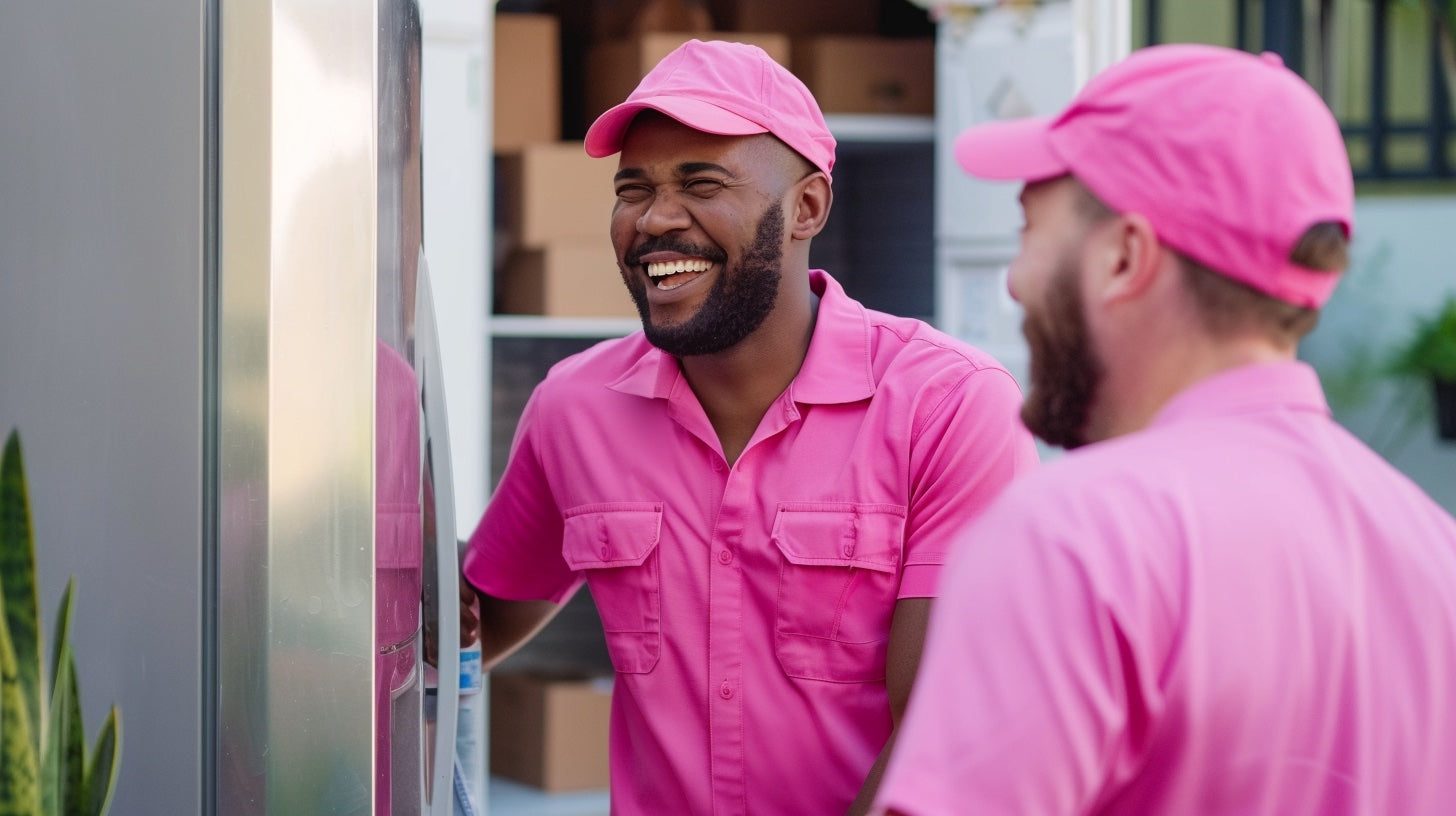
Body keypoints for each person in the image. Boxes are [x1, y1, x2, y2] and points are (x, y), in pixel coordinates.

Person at [872, 43, 1456, 816]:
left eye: (1029, 230)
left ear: (1125, 257)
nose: (1012, 280)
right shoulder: (1434, 549)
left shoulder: (1067, 539)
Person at [459, 39, 1039, 815]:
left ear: (806, 208)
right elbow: (469, 626)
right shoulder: (575, 406)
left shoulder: (950, 408)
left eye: (702, 182)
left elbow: (943, 737)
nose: (655, 219)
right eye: (634, 189)